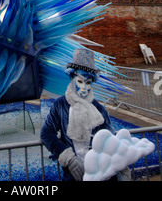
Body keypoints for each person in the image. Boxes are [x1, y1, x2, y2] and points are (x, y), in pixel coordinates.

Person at [40, 48, 131, 181]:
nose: (84, 87)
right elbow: (46, 133)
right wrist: (68, 157)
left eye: (88, 83)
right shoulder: (60, 105)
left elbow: (110, 138)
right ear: (72, 78)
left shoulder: (98, 108)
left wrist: (122, 166)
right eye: (80, 81)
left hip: (102, 173)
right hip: (74, 175)